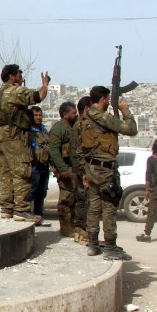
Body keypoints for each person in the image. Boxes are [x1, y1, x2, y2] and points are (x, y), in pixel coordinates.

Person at [77, 86, 137, 260]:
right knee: (109, 207)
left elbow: (80, 148)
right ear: (103, 99)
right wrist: (125, 111)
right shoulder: (103, 117)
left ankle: (93, 244)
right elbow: (131, 129)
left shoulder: (84, 119)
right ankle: (110, 246)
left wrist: (84, 170)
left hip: (91, 168)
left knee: (94, 207)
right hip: (105, 169)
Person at [0, 64, 50, 223]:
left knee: (6, 173)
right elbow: (38, 96)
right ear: (11, 76)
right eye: (19, 74)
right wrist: (45, 84)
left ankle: (7, 208)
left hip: (1, 137)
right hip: (15, 136)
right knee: (22, 171)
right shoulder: (15, 91)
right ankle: (21, 209)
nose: (21, 77)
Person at [47, 101, 78, 237]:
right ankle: (65, 228)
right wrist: (62, 169)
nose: (75, 114)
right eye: (73, 112)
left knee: (75, 198)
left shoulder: (72, 127)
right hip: (65, 168)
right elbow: (53, 150)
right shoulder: (58, 129)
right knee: (66, 199)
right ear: (65, 115)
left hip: (73, 168)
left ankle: (73, 226)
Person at [70, 96, 92, 245]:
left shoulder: (76, 125)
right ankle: (83, 231)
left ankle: (79, 231)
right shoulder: (83, 126)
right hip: (83, 168)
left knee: (80, 200)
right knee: (86, 201)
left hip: (78, 167)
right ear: (87, 109)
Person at [27, 106, 51, 218]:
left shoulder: (44, 130)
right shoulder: (28, 131)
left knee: (42, 192)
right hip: (34, 165)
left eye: (40, 115)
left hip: (44, 165)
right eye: (35, 115)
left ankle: (38, 213)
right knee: (31, 192)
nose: (38, 117)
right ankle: (28, 213)